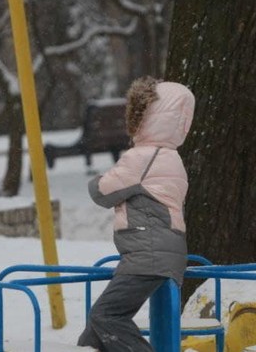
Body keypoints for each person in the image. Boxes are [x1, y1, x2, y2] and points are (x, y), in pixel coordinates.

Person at [78, 76, 195, 352]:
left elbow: (102, 193)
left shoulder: (142, 157)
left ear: (146, 116)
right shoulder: (171, 157)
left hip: (147, 256)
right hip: (163, 253)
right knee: (93, 335)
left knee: (105, 316)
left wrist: (97, 178)